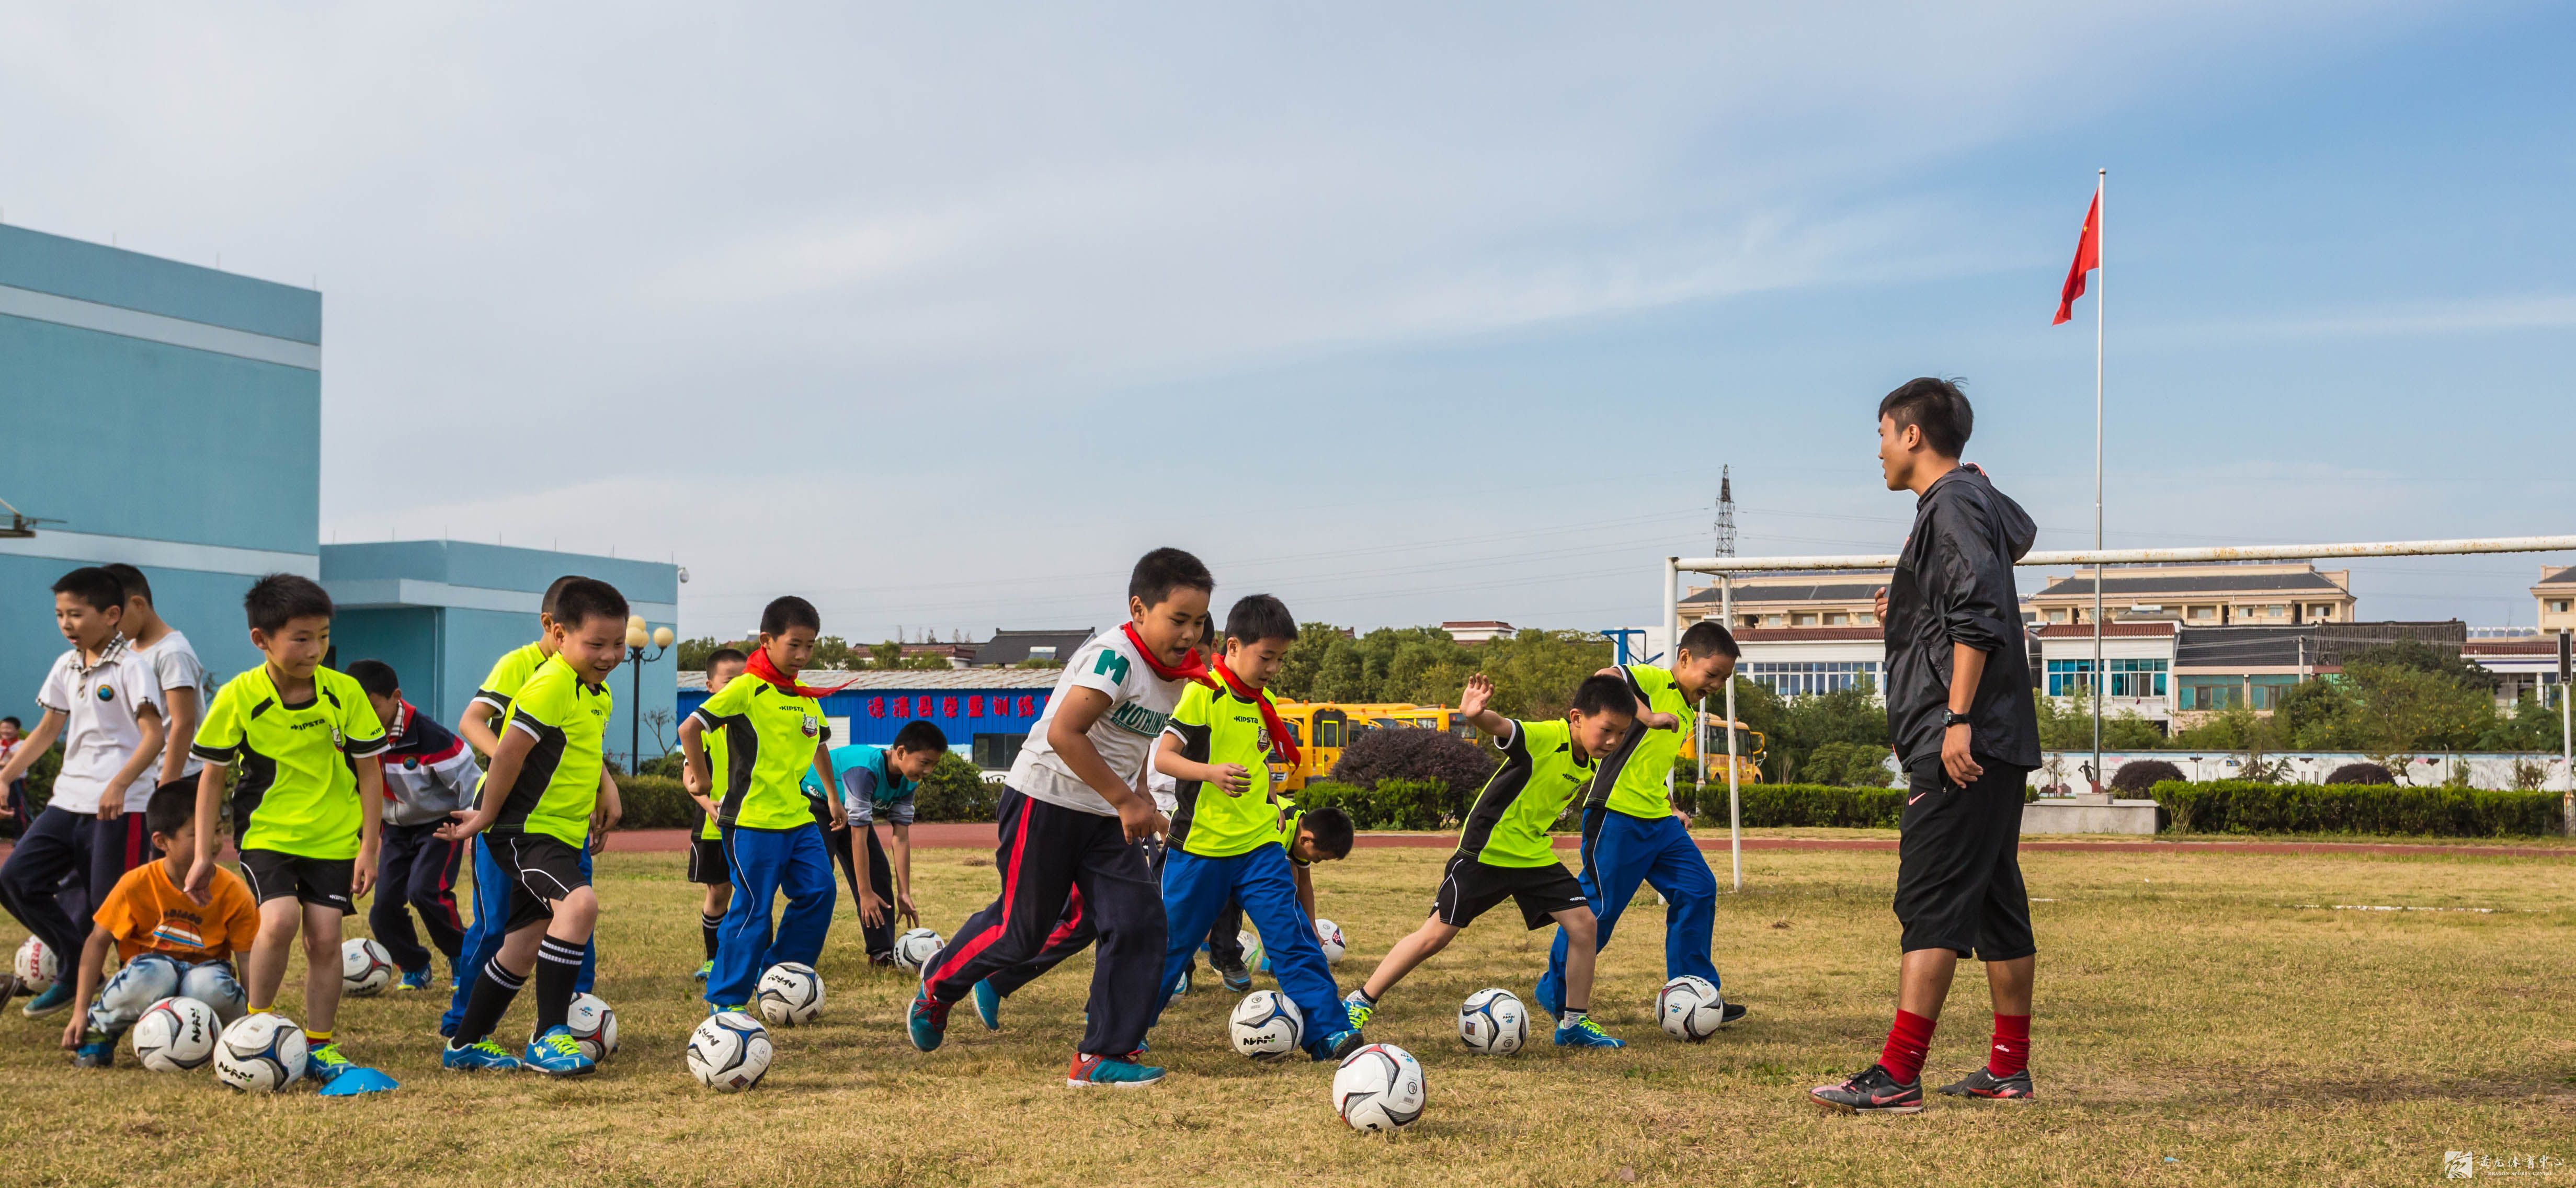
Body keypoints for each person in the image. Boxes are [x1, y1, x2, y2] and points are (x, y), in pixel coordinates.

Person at [1811, 377, 2042, 1114]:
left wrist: (1955, 719)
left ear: (1912, 435)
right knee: (1994, 904)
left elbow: (1978, 616)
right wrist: (1903, 614)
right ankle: (2008, 1069)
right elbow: (1960, 606)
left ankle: (1897, 1075)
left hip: (1965, 743)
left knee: (1930, 900)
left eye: (1881, 433)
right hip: (1992, 739)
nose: (1876, 450)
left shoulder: (1949, 503)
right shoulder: (1966, 502)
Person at [911, 548, 1207, 1088]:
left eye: (1199, 621)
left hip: (1104, 812)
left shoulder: (1177, 674)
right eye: (1179, 619)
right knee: (1021, 932)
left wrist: (1137, 794)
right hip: (1044, 799)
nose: (1190, 633)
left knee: (1139, 920)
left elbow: (1133, 741)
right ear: (1139, 610)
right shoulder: (1115, 658)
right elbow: (1063, 733)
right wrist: (1126, 799)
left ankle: (1102, 1053)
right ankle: (939, 984)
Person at [1342, 672, 1633, 1049]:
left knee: (1584, 926)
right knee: (1435, 936)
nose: (1613, 741)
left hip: (1531, 854)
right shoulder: (1548, 736)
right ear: (1577, 718)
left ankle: (1573, 1023)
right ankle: (1359, 1001)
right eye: (1607, 730)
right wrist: (1476, 714)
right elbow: (1504, 728)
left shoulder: (1591, 759)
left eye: (1622, 734)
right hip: (1488, 850)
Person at [185, 573, 390, 1085]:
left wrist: (370, 845)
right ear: (262, 639)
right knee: (277, 922)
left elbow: (370, 772)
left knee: (325, 938)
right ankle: (257, 1028)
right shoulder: (239, 696)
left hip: (334, 836)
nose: (315, 648)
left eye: (322, 635)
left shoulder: (344, 693)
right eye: (300, 637)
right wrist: (206, 850)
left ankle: (320, 1044)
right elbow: (211, 778)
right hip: (268, 833)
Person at [1145, 594, 1362, 1060]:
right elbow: (1164, 757)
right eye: (1267, 657)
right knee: (1170, 947)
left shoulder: (1261, 701)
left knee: (1294, 938)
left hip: (1260, 848)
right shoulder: (1204, 693)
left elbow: (1256, 761)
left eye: (1280, 659)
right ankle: (1124, 1033)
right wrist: (1210, 773)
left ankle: (1329, 1032)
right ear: (1234, 646)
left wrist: (1269, 804)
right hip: (1201, 849)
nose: (1273, 668)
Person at [435, 578, 631, 1075]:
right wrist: (485, 815)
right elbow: (508, 755)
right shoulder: (548, 684)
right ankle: (549, 1037)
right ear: (559, 635)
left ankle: (465, 1044)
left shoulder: (596, 692)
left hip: (560, 831)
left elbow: (578, 755)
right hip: (524, 830)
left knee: (524, 943)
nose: (609, 655)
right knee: (580, 905)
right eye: (597, 644)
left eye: (618, 644)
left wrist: (601, 792)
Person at [1535, 619, 1749, 1032]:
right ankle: (1556, 993)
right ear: (1685, 658)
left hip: (1658, 822)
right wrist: (1647, 715)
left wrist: (1671, 808)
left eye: (1724, 679)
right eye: (1712, 674)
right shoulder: (1654, 681)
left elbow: (1648, 766)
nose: (1717, 685)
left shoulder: (1688, 712)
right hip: (1615, 816)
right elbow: (1606, 676)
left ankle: (1696, 994)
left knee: (1698, 889)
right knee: (1597, 913)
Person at [0, 567, 167, 1019]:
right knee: (16, 878)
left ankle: (144, 1004)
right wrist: (5, 775)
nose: (66, 624)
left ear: (112, 615)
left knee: (113, 912)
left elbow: (154, 735)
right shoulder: (65, 664)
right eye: (59, 615)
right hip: (66, 802)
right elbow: (48, 729)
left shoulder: (132, 667)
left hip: (120, 808)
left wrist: (120, 783)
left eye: (75, 614)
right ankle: (77, 968)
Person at [679, 596, 849, 1015]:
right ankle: (726, 1000)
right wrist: (700, 780)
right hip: (752, 822)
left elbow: (819, 744)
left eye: (810, 646)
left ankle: (778, 977)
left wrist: (831, 794)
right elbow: (690, 726)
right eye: (795, 645)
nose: (803, 656)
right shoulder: (746, 688)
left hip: (798, 818)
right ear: (767, 640)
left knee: (820, 891)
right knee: (754, 908)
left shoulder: (804, 697)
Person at [60, 780, 257, 1066]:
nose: (212, 842)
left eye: (216, 830)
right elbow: (96, 942)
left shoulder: (234, 891)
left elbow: (248, 957)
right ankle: (100, 1032)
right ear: (162, 842)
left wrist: (255, 1016)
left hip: (205, 973)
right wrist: (80, 1012)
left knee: (207, 987)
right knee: (155, 975)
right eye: (197, 834)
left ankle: (224, 1039)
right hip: (150, 972)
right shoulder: (136, 884)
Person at [348, 659, 482, 991]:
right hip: (395, 829)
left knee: (425, 891)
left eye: (372, 707)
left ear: (396, 697)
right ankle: (415, 965)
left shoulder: (430, 737)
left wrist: (475, 822)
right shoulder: (352, 736)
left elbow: (472, 783)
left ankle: (463, 958)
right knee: (383, 910)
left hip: (440, 824)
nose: (363, 716)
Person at [802, 721, 947, 965]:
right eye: (925, 763)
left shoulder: (908, 781)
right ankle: (799, 955)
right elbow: (858, 836)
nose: (929, 771)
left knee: (878, 874)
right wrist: (864, 893)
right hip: (815, 803)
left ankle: (881, 952)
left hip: (849, 813)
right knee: (818, 881)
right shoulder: (864, 771)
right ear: (901, 752)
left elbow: (900, 837)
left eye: (934, 765)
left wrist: (904, 893)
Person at [686, 647, 747, 981]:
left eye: (744, 679)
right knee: (719, 892)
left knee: (753, 891)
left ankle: (754, 957)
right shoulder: (704, 725)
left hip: (750, 824)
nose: (737, 686)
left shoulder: (753, 722)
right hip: (713, 827)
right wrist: (708, 803)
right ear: (710, 685)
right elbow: (689, 776)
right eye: (729, 680)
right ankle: (713, 958)